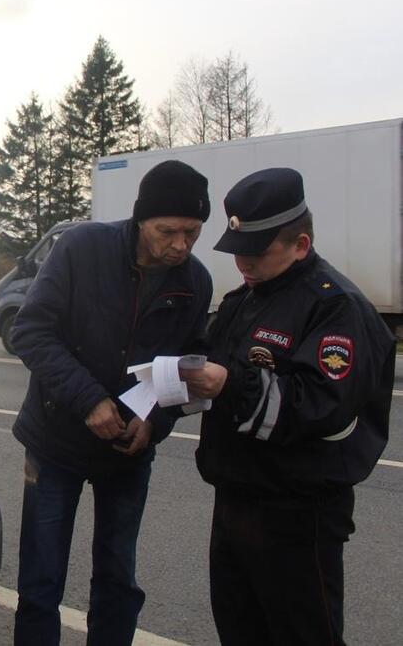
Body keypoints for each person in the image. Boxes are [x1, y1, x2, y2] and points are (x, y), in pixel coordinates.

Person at [182, 167, 393, 645]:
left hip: (296, 515)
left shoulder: (335, 307)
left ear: (300, 244)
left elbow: (322, 406)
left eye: (256, 251)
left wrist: (231, 385)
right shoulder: (245, 300)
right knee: (240, 630)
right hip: (236, 501)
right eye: (236, 250)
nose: (242, 263)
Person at [11, 159, 213, 645]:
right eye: (168, 231)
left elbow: (186, 369)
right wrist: (89, 401)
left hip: (128, 453)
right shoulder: (82, 248)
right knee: (41, 580)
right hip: (56, 443)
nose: (180, 245)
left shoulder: (195, 281)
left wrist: (156, 422)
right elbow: (30, 332)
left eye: (192, 232)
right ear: (141, 218)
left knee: (118, 578)